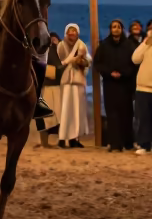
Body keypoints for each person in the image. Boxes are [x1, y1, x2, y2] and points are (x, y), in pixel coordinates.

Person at [94, 20, 136, 152]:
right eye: (113, 27)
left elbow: (134, 64)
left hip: (125, 85)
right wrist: (110, 73)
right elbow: (98, 63)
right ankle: (114, 144)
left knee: (126, 114)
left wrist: (123, 73)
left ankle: (126, 143)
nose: (116, 29)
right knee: (112, 114)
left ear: (122, 29)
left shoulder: (129, 45)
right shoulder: (104, 45)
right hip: (110, 84)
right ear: (110, 29)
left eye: (118, 27)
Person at [58, 24, 91, 148]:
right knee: (65, 111)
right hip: (66, 81)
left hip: (78, 80)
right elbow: (58, 62)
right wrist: (70, 61)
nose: (72, 33)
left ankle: (74, 138)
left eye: (74, 31)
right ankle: (62, 138)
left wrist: (81, 61)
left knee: (77, 111)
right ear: (66, 33)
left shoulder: (82, 45)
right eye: (70, 31)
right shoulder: (61, 45)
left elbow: (88, 61)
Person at [36, 31, 63, 148]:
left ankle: (61, 141)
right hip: (46, 87)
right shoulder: (43, 51)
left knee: (61, 115)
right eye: (51, 39)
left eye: (55, 39)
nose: (53, 41)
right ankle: (44, 143)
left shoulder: (62, 51)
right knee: (44, 116)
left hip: (60, 87)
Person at [132, 22, 152, 155]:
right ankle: (144, 145)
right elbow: (135, 59)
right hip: (143, 88)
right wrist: (146, 43)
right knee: (143, 118)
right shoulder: (146, 44)